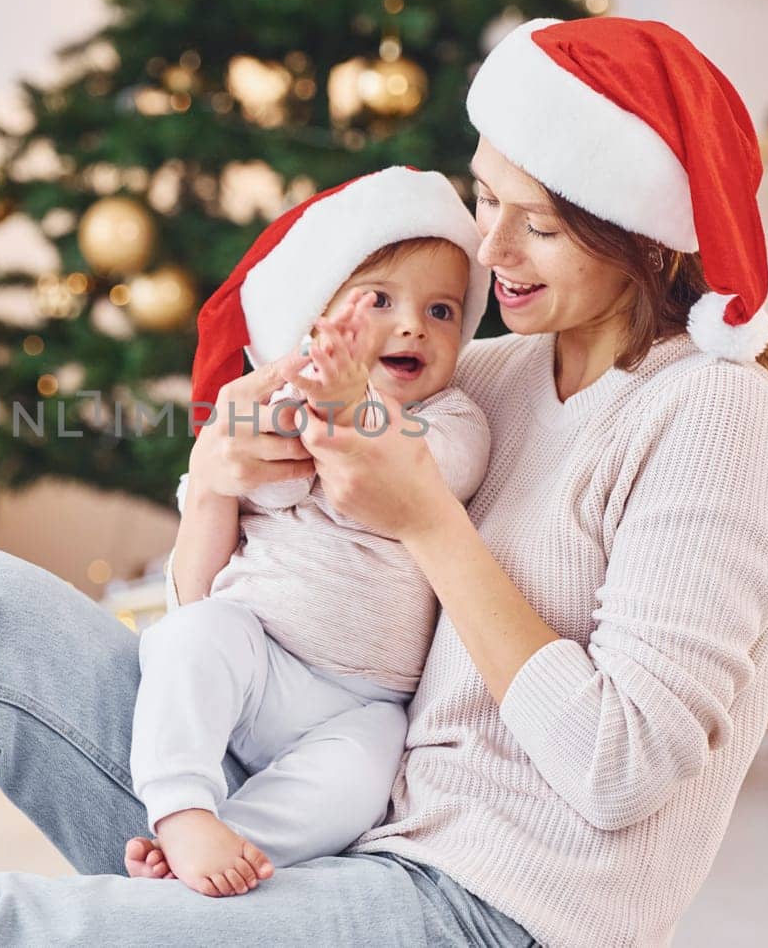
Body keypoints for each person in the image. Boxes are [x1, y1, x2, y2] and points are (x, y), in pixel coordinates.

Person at [0, 16, 768, 948]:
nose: (485, 253)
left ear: (643, 233)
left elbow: (619, 765)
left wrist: (432, 524)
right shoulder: (485, 374)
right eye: (485, 202)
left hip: (488, 908)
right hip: (314, 812)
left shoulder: (710, 413)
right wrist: (214, 486)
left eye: (536, 223)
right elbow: (233, 606)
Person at [127, 166, 494, 895]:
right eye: (380, 301)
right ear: (318, 322)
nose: (414, 323)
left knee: (366, 774)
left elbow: (426, 472)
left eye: (444, 310)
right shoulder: (289, 407)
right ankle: (181, 805)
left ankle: (231, 840)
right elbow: (275, 484)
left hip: (363, 701)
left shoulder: (455, 420)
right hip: (258, 654)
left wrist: (357, 404)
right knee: (187, 639)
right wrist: (305, 406)